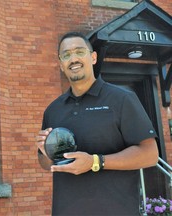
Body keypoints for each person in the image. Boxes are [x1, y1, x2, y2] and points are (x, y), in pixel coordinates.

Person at [36, 31, 159, 215]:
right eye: (66, 55)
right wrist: (46, 154)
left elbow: (150, 155)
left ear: (93, 57)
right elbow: (46, 164)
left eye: (79, 52)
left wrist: (96, 161)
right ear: (61, 65)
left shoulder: (122, 99)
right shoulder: (53, 110)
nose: (73, 59)